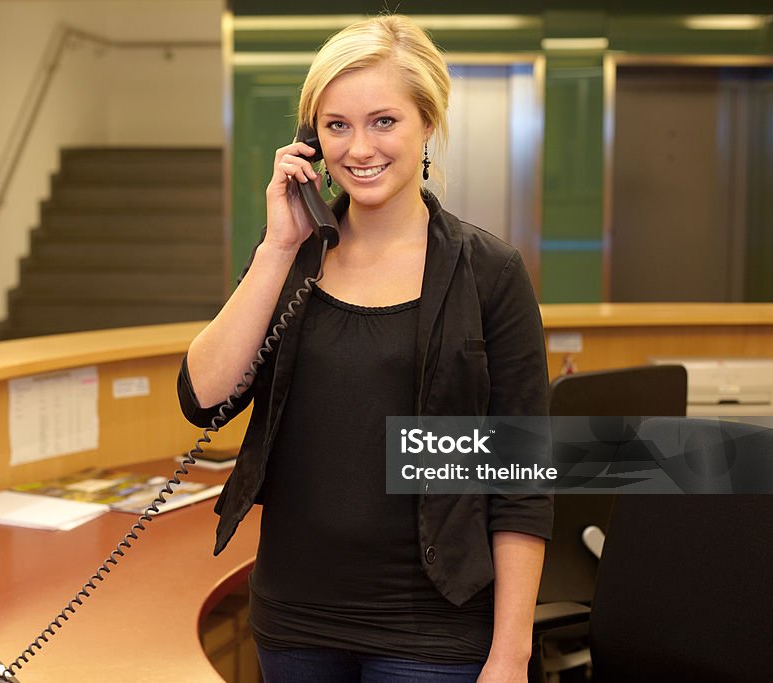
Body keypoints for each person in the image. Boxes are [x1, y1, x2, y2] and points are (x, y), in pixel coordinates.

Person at [178, 14, 552, 683]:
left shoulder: (488, 271)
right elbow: (202, 398)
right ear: (310, 141)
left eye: (384, 121)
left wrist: (511, 653)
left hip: (432, 629)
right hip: (295, 621)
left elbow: (520, 479)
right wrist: (277, 247)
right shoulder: (290, 261)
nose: (359, 148)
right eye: (336, 125)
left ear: (427, 124)